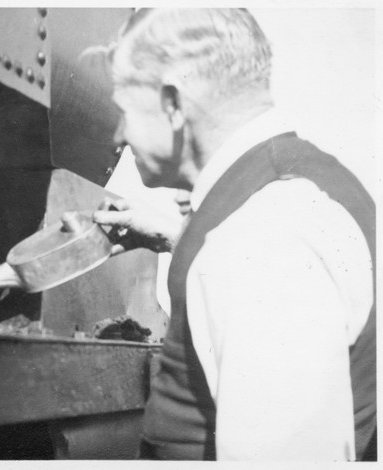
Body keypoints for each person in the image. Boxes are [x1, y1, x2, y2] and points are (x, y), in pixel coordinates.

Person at [91, 9, 375, 461]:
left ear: (172, 103)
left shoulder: (263, 236)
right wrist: (178, 238)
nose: (117, 137)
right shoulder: (286, 189)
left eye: (123, 111)